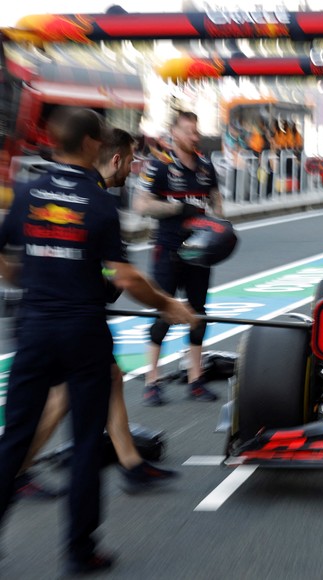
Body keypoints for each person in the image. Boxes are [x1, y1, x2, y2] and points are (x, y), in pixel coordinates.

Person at [0, 107, 196, 574]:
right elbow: (124, 277)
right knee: (86, 441)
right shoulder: (100, 202)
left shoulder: (27, 193)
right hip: (82, 331)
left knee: (13, 440)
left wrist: (38, 279)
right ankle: (79, 550)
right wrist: (168, 304)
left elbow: (6, 262)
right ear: (90, 143)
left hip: (34, 327)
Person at [13, 128, 179, 499]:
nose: (136, 167)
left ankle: (131, 463)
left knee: (112, 378)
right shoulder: (97, 199)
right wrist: (165, 304)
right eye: (133, 159)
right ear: (116, 158)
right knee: (62, 398)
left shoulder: (84, 193)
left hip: (64, 313)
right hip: (66, 318)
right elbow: (117, 272)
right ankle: (16, 470)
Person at [134, 111, 225, 406]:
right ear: (174, 133)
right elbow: (140, 205)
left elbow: (216, 201)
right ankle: (152, 380)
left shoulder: (206, 167)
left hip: (199, 252)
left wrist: (220, 228)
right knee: (164, 312)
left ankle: (195, 379)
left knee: (199, 313)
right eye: (189, 131)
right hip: (169, 250)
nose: (194, 137)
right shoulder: (159, 167)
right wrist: (176, 209)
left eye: (196, 131)